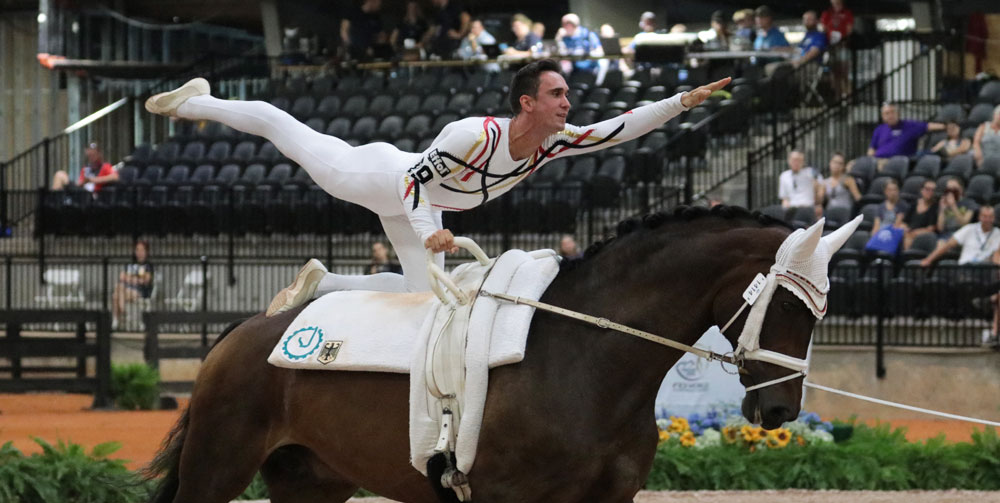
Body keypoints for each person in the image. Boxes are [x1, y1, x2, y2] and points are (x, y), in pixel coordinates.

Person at [145, 64, 730, 314]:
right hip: (377, 177)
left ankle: (324, 283)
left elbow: (616, 131)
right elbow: (409, 184)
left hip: (417, 202)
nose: (568, 104)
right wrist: (431, 235)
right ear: (527, 102)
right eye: (557, 96)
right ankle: (196, 101)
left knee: (422, 296)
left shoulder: (555, 140)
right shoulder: (471, 136)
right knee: (285, 129)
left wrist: (681, 102)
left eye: (567, 96)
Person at [920, 204, 999, 267]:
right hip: (965, 268)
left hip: (985, 272)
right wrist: (929, 259)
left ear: (994, 218)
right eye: (984, 216)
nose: (987, 220)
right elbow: (948, 245)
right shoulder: (969, 229)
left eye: (990, 217)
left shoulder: (998, 234)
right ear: (979, 217)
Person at [867, 102, 944, 160]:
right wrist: (869, 161)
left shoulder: (910, 126)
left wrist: (947, 126)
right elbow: (872, 149)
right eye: (887, 113)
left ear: (898, 113)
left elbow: (929, 126)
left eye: (892, 112)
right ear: (882, 116)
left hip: (898, 162)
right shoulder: (879, 129)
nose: (890, 116)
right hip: (877, 160)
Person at [112, 239, 154, 329]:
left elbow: (145, 280)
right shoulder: (130, 264)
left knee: (116, 294)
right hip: (127, 291)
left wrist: (129, 278)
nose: (139, 252)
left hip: (141, 292)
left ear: (146, 252)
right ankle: (122, 313)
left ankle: (117, 318)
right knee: (118, 289)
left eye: (142, 250)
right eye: (137, 250)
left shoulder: (148, 265)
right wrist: (136, 279)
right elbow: (121, 277)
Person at [51, 142, 119, 193]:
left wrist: (92, 180)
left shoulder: (105, 166)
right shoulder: (86, 168)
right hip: (82, 193)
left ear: (99, 154)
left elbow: (115, 177)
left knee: (60, 175)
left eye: (93, 154)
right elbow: (80, 183)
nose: (91, 157)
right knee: (59, 175)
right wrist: (83, 182)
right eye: (90, 155)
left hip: (93, 196)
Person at [778, 150, 822, 215]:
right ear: (789, 160)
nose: (796, 162)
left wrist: (818, 204)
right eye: (793, 160)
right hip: (792, 210)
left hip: (809, 209)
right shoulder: (784, 176)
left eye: (798, 160)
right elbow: (785, 198)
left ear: (803, 161)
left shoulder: (811, 173)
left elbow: (820, 192)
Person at [900, 180, 939, 251]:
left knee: (908, 238)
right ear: (921, 190)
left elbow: (931, 229)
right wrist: (905, 228)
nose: (930, 192)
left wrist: (912, 233)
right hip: (909, 232)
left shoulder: (936, 207)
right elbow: (904, 222)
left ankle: (907, 257)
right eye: (927, 189)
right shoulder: (914, 204)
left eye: (933, 190)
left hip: (923, 235)